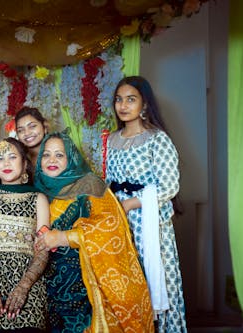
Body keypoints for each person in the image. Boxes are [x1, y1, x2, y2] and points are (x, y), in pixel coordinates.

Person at [34, 131, 154, 332]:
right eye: (46, 154)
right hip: (47, 291)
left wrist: (64, 237)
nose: (51, 160)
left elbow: (111, 226)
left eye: (59, 155)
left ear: (71, 158)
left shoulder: (91, 185)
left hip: (86, 288)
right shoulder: (37, 189)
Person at [105, 76, 187, 332]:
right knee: (126, 284)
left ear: (144, 104)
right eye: (119, 99)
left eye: (131, 99)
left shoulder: (157, 139)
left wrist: (131, 203)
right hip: (119, 222)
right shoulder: (111, 140)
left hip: (149, 223)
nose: (123, 105)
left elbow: (170, 185)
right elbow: (108, 181)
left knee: (154, 281)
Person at [0, 137, 50, 332]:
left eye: (12, 157)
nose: (6, 163)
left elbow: (43, 249)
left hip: (29, 280)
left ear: (24, 165)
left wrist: (23, 288)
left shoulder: (38, 199)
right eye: (0, 158)